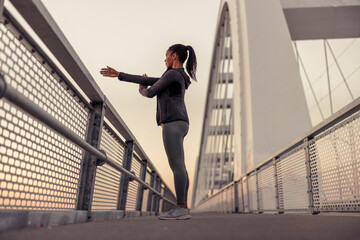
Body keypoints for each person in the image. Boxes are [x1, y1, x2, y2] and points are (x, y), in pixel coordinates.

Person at [100, 44, 197, 220]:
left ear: (174, 56)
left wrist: (140, 89)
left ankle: (181, 208)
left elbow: (150, 92)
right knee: (180, 166)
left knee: (176, 166)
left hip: (172, 123)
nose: (165, 59)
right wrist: (119, 75)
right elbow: (150, 80)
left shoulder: (172, 74)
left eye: (166, 55)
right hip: (182, 122)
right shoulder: (178, 75)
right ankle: (183, 207)